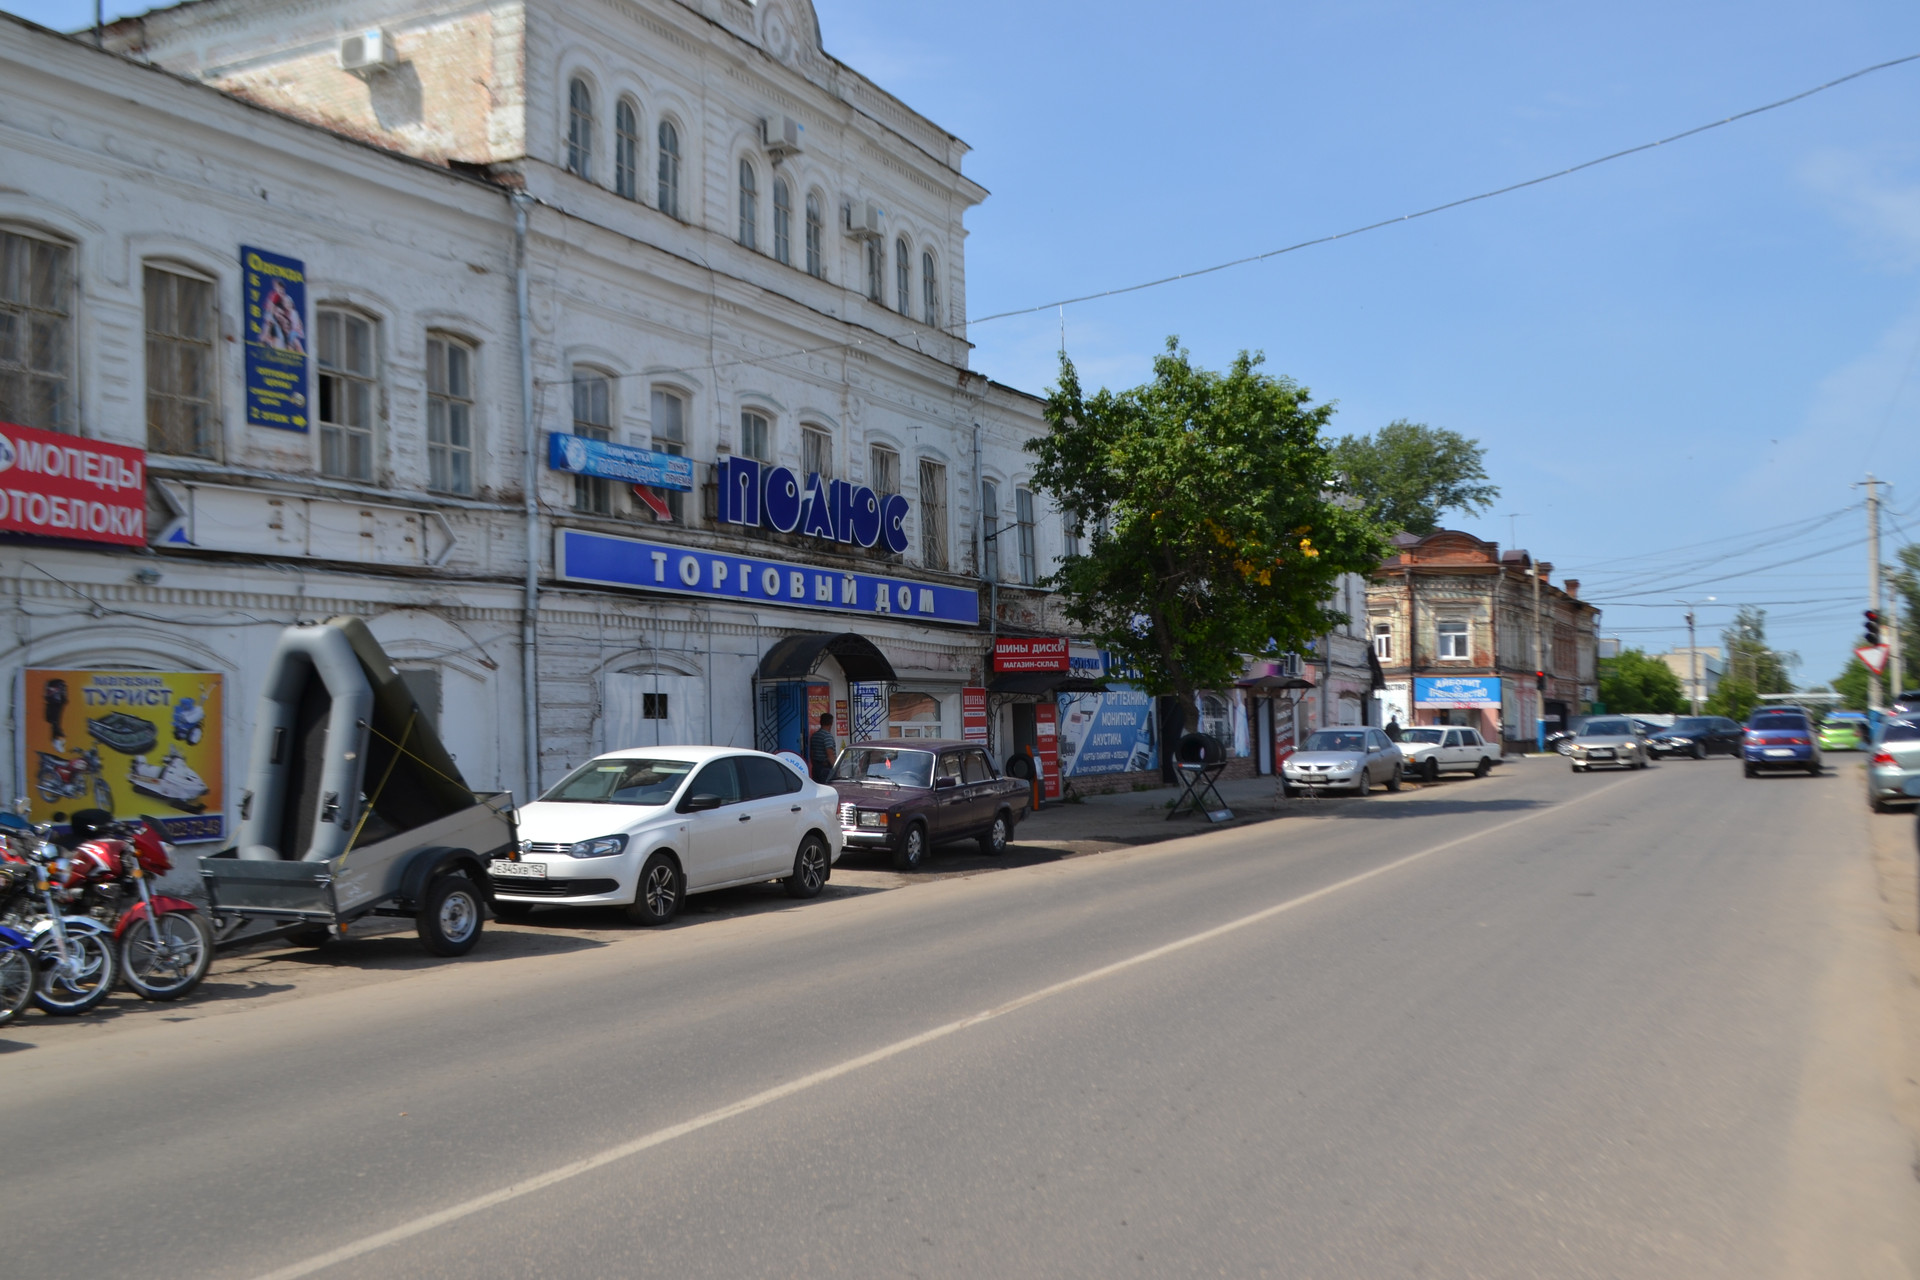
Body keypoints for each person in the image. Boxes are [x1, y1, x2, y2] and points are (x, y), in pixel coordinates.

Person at [807, 711, 837, 783]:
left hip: (816, 767)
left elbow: (812, 753)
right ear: (831, 723)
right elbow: (830, 754)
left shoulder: (815, 735)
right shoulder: (827, 736)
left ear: (820, 722)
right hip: (826, 769)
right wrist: (836, 768)